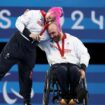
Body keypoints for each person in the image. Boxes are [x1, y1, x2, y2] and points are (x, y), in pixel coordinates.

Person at [0, 9, 49, 105]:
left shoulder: (51, 26)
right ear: (48, 13)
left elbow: (47, 44)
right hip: (17, 44)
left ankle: (27, 102)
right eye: (50, 16)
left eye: (54, 19)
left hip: (30, 49)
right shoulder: (33, 13)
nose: (50, 19)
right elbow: (18, 22)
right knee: (1, 68)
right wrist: (30, 34)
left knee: (27, 78)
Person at [38, 22, 90, 105]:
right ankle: (65, 98)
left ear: (59, 29)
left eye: (53, 33)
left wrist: (83, 69)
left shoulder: (74, 40)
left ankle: (73, 98)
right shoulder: (47, 42)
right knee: (62, 70)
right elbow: (35, 38)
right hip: (57, 66)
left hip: (73, 65)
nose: (52, 36)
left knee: (74, 70)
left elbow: (84, 54)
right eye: (50, 34)